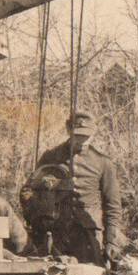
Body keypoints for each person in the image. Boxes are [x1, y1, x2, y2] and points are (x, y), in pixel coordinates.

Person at [27, 110, 124, 265]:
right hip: (57, 232)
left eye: (87, 136)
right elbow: (30, 193)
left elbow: (112, 205)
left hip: (88, 234)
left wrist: (111, 240)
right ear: (68, 130)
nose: (83, 141)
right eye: (78, 136)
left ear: (94, 133)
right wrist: (37, 221)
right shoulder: (50, 157)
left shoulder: (103, 162)